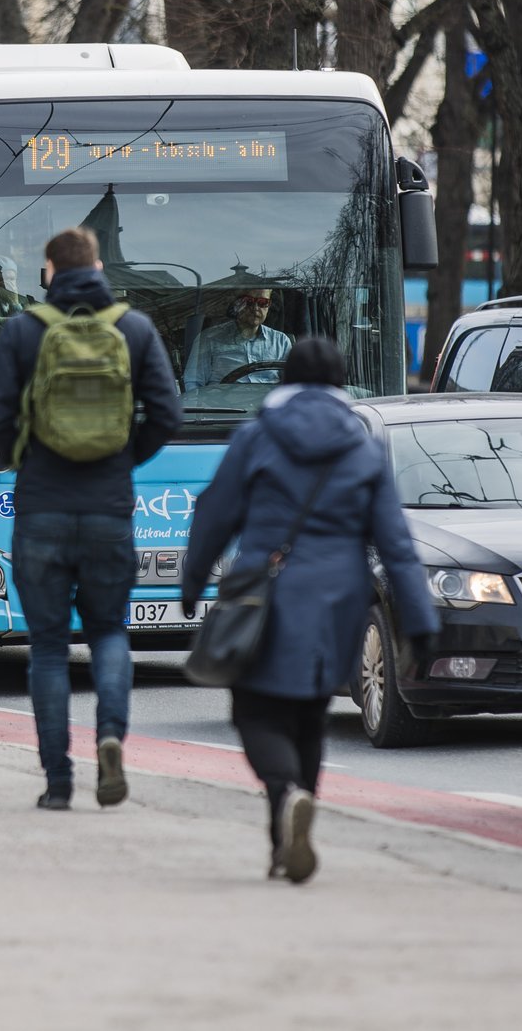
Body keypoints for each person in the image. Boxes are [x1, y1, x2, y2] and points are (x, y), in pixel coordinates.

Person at [181, 337, 437, 883]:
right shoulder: (362, 449)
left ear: (285, 381)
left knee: (253, 712)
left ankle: (285, 793)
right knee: (308, 718)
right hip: (340, 598)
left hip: (266, 593)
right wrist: (419, 618)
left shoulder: (257, 437)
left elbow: (213, 512)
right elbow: (395, 542)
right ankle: (289, 834)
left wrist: (192, 582)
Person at [0, 227, 181, 811]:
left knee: (46, 647)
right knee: (110, 633)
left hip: (41, 505)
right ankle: (111, 738)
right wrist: (122, 458)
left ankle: (59, 781)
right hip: (108, 507)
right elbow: (166, 415)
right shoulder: (134, 328)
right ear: (97, 265)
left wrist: (26, 456)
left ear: (50, 270)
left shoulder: (22, 331)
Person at [184, 288, 294, 389]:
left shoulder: (281, 342)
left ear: (269, 306)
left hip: (268, 408)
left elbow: (293, 385)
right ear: (236, 304)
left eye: (263, 303)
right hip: (223, 408)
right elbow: (193, 383)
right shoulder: (209, 339)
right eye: (249, 301)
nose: (255, 308)